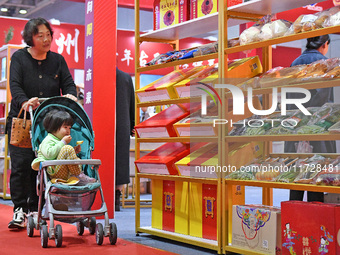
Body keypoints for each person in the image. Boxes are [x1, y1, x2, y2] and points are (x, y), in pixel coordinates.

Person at [7, 17, 78, 229]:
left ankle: (36, 208)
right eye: (40, 36)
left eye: (48, 35)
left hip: (49, 123)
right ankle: (20, 209)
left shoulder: (58, 60)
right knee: (21, 165)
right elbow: (15, 85)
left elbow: (69, 85)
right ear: (31, 38)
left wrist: (71, 96)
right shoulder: (19, 57)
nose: (46, 39)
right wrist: (25, 101)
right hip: (23, 119)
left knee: (45, 165)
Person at [285, 35, 334, 202]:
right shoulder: (325, 63)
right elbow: (322, 97)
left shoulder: (293, 63)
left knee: (295, 177)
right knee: (316, 180)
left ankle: (292, 222)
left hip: (293, 127)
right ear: (325, 44)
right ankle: (314, 223)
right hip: (316, 129)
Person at [31, 110, 96, 183]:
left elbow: (60, 154)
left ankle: (77, 175)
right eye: (65, 127)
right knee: (67, 148)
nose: (68, 131)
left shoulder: (59, 141)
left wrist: (73, 151)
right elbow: (49, 155)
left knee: (68, 150)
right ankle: (79, 175)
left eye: (69, 128)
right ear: (54, 127)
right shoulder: (47, 140)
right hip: (55, 172)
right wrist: (63, 143)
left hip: (64, 172)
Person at [115, 68, 135, 211]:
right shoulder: (125, 77)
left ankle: (110, 197)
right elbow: (132, 102)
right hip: (123, 123)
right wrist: (133, 124)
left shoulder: (97, 76)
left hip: (102, 124)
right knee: (121, 159)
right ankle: (116, 198)